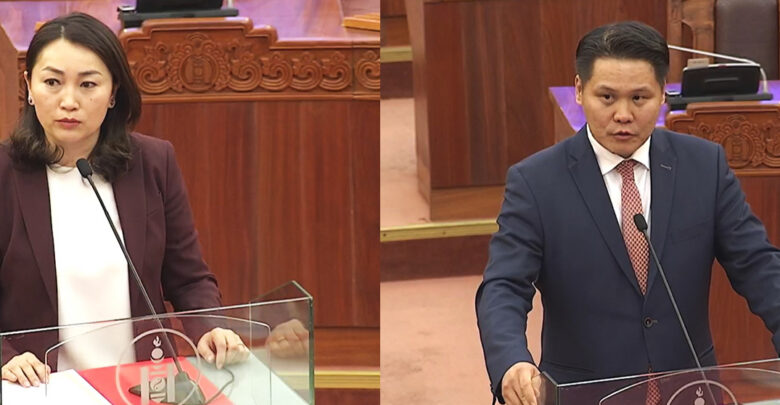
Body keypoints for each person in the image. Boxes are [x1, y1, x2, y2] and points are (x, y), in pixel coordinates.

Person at [475, 21, 780, 405]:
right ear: (580, 90)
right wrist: (511, 361)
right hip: (585, 394)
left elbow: (757, 264)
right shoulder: (536, 182)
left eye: (639, 98)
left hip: (689, 392)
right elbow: (504, 284)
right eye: (607, 97)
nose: (623, 114)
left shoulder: (704, 167)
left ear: (663, 94)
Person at [0, 12, 251, 388]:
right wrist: (5, 358)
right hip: (43, 387)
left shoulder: (153, 162)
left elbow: (188, 278)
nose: (69, 101)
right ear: (29, 87)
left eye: (88, 84)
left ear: (113, 92)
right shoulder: (4, 174)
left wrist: (210, 328)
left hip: (143, 384)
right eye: (52, 82)